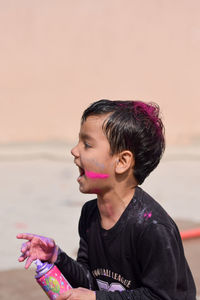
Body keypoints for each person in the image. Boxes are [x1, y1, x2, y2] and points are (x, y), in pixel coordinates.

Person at [17, 99, 196, 300]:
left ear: (122, 162)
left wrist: (96, 298)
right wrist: (57, 258)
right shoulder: (90, 214)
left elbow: (161, 297)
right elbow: (90, 281)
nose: (74, 151)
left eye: (87, 144)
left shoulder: (153, 227)